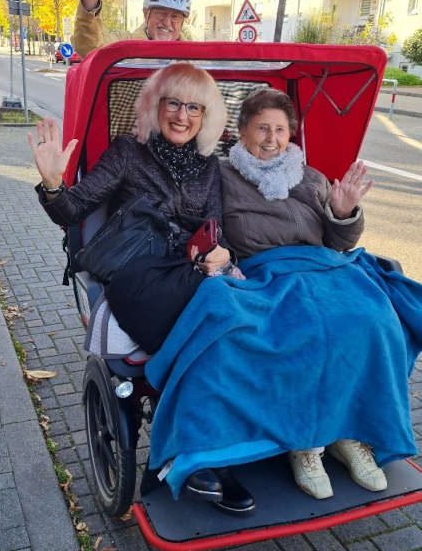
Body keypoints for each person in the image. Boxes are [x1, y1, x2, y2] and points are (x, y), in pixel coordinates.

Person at [145, 88, 422, 505]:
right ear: (241, 132)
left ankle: (348, 433)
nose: (272, 138)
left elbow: (337, 240)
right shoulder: (221, 177)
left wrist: (343, 212)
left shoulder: (309, 178)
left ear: (292, 134)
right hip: (263, 273)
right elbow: (195, 221)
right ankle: (306, 444)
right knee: (295, 331)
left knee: (373, 317)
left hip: (326, 269)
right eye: (262, 129)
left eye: (280, 129)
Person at [28, 61, 254, 513]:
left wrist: (222, 253)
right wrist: (53, 182)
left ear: (206, 116)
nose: (183, 115)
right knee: (206, 320)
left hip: (187, 270)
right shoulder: (129, 153)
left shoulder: (209, 167)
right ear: (156, 105)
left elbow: (214, 226)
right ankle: (184, 455)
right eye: (174, 102)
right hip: (136, 274)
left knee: (242, 322)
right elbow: (74, 209)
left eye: (195, 107)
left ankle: (228, 439)